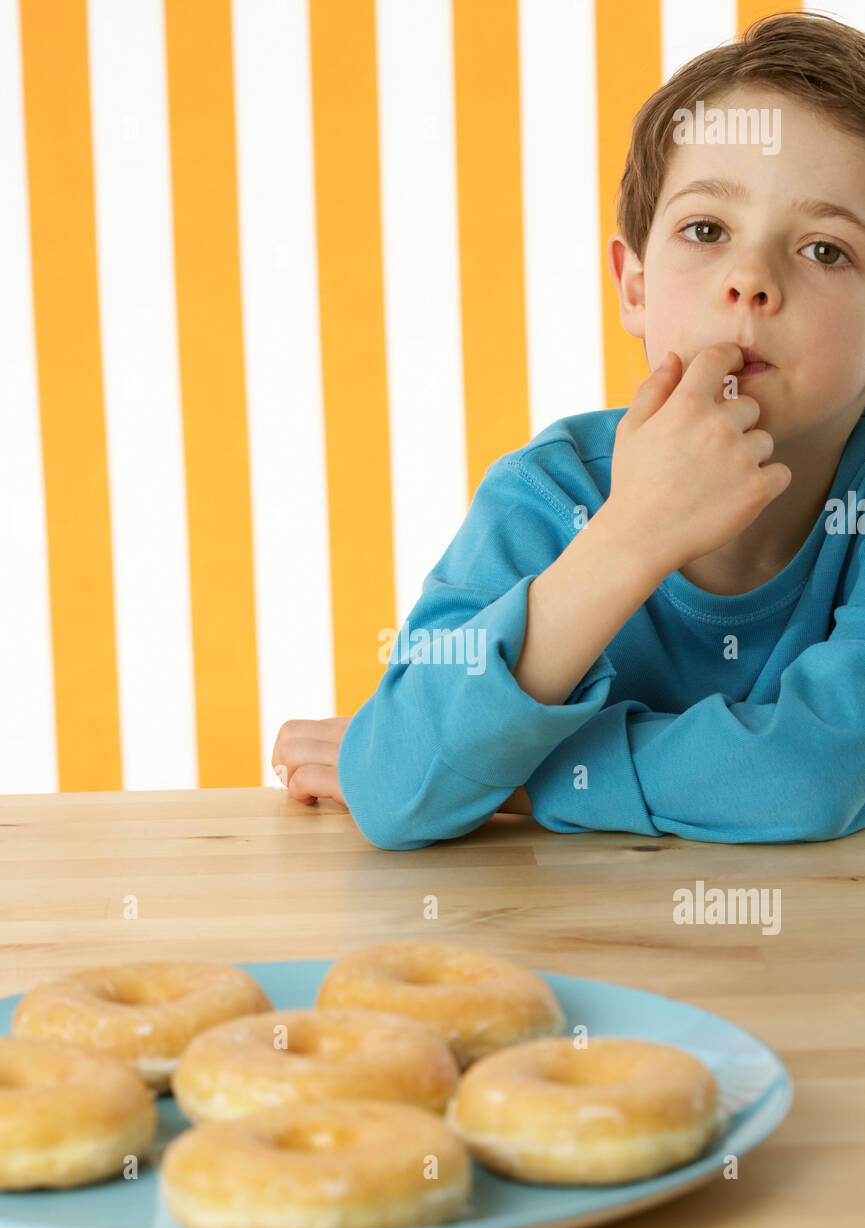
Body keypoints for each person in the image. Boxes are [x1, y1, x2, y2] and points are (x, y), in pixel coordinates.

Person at [272, 12, 865, 850]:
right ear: (632, 284)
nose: (749, 281)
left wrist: (518, 772)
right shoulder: (546, 497)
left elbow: (811, 778)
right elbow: (396, 784)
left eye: (825, 250)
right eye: (706, 230)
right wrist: (629, 536)